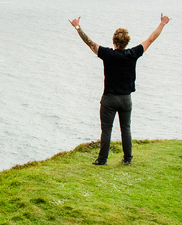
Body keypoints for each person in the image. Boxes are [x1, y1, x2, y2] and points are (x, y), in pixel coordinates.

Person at [69, 14, 171, 165]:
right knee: (126, 129)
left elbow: (89, 42)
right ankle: (127, 158)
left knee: (106, 130)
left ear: (113, 40)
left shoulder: (107, 54)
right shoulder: (133, 54)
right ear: (127, 41)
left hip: (109, 98)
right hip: (125, 99)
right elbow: (151, 39)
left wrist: (77, 27)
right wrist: (162, 24)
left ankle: (102, 160)